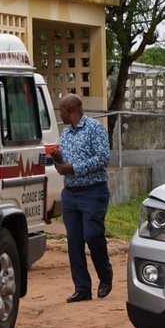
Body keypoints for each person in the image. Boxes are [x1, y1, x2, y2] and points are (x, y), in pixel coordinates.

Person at [51, 93, 113, 303]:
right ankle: (82, 288)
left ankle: (105, 276)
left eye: (61, 110)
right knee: (74, 241)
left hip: (93, 192)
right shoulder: (66, 134)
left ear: (70, 110)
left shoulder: (94, 128)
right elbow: (65, 163)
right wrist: (59, 161)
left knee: (93, 234)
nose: (60, 114)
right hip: (70, 194)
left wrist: (75, 168)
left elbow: (103, 157)